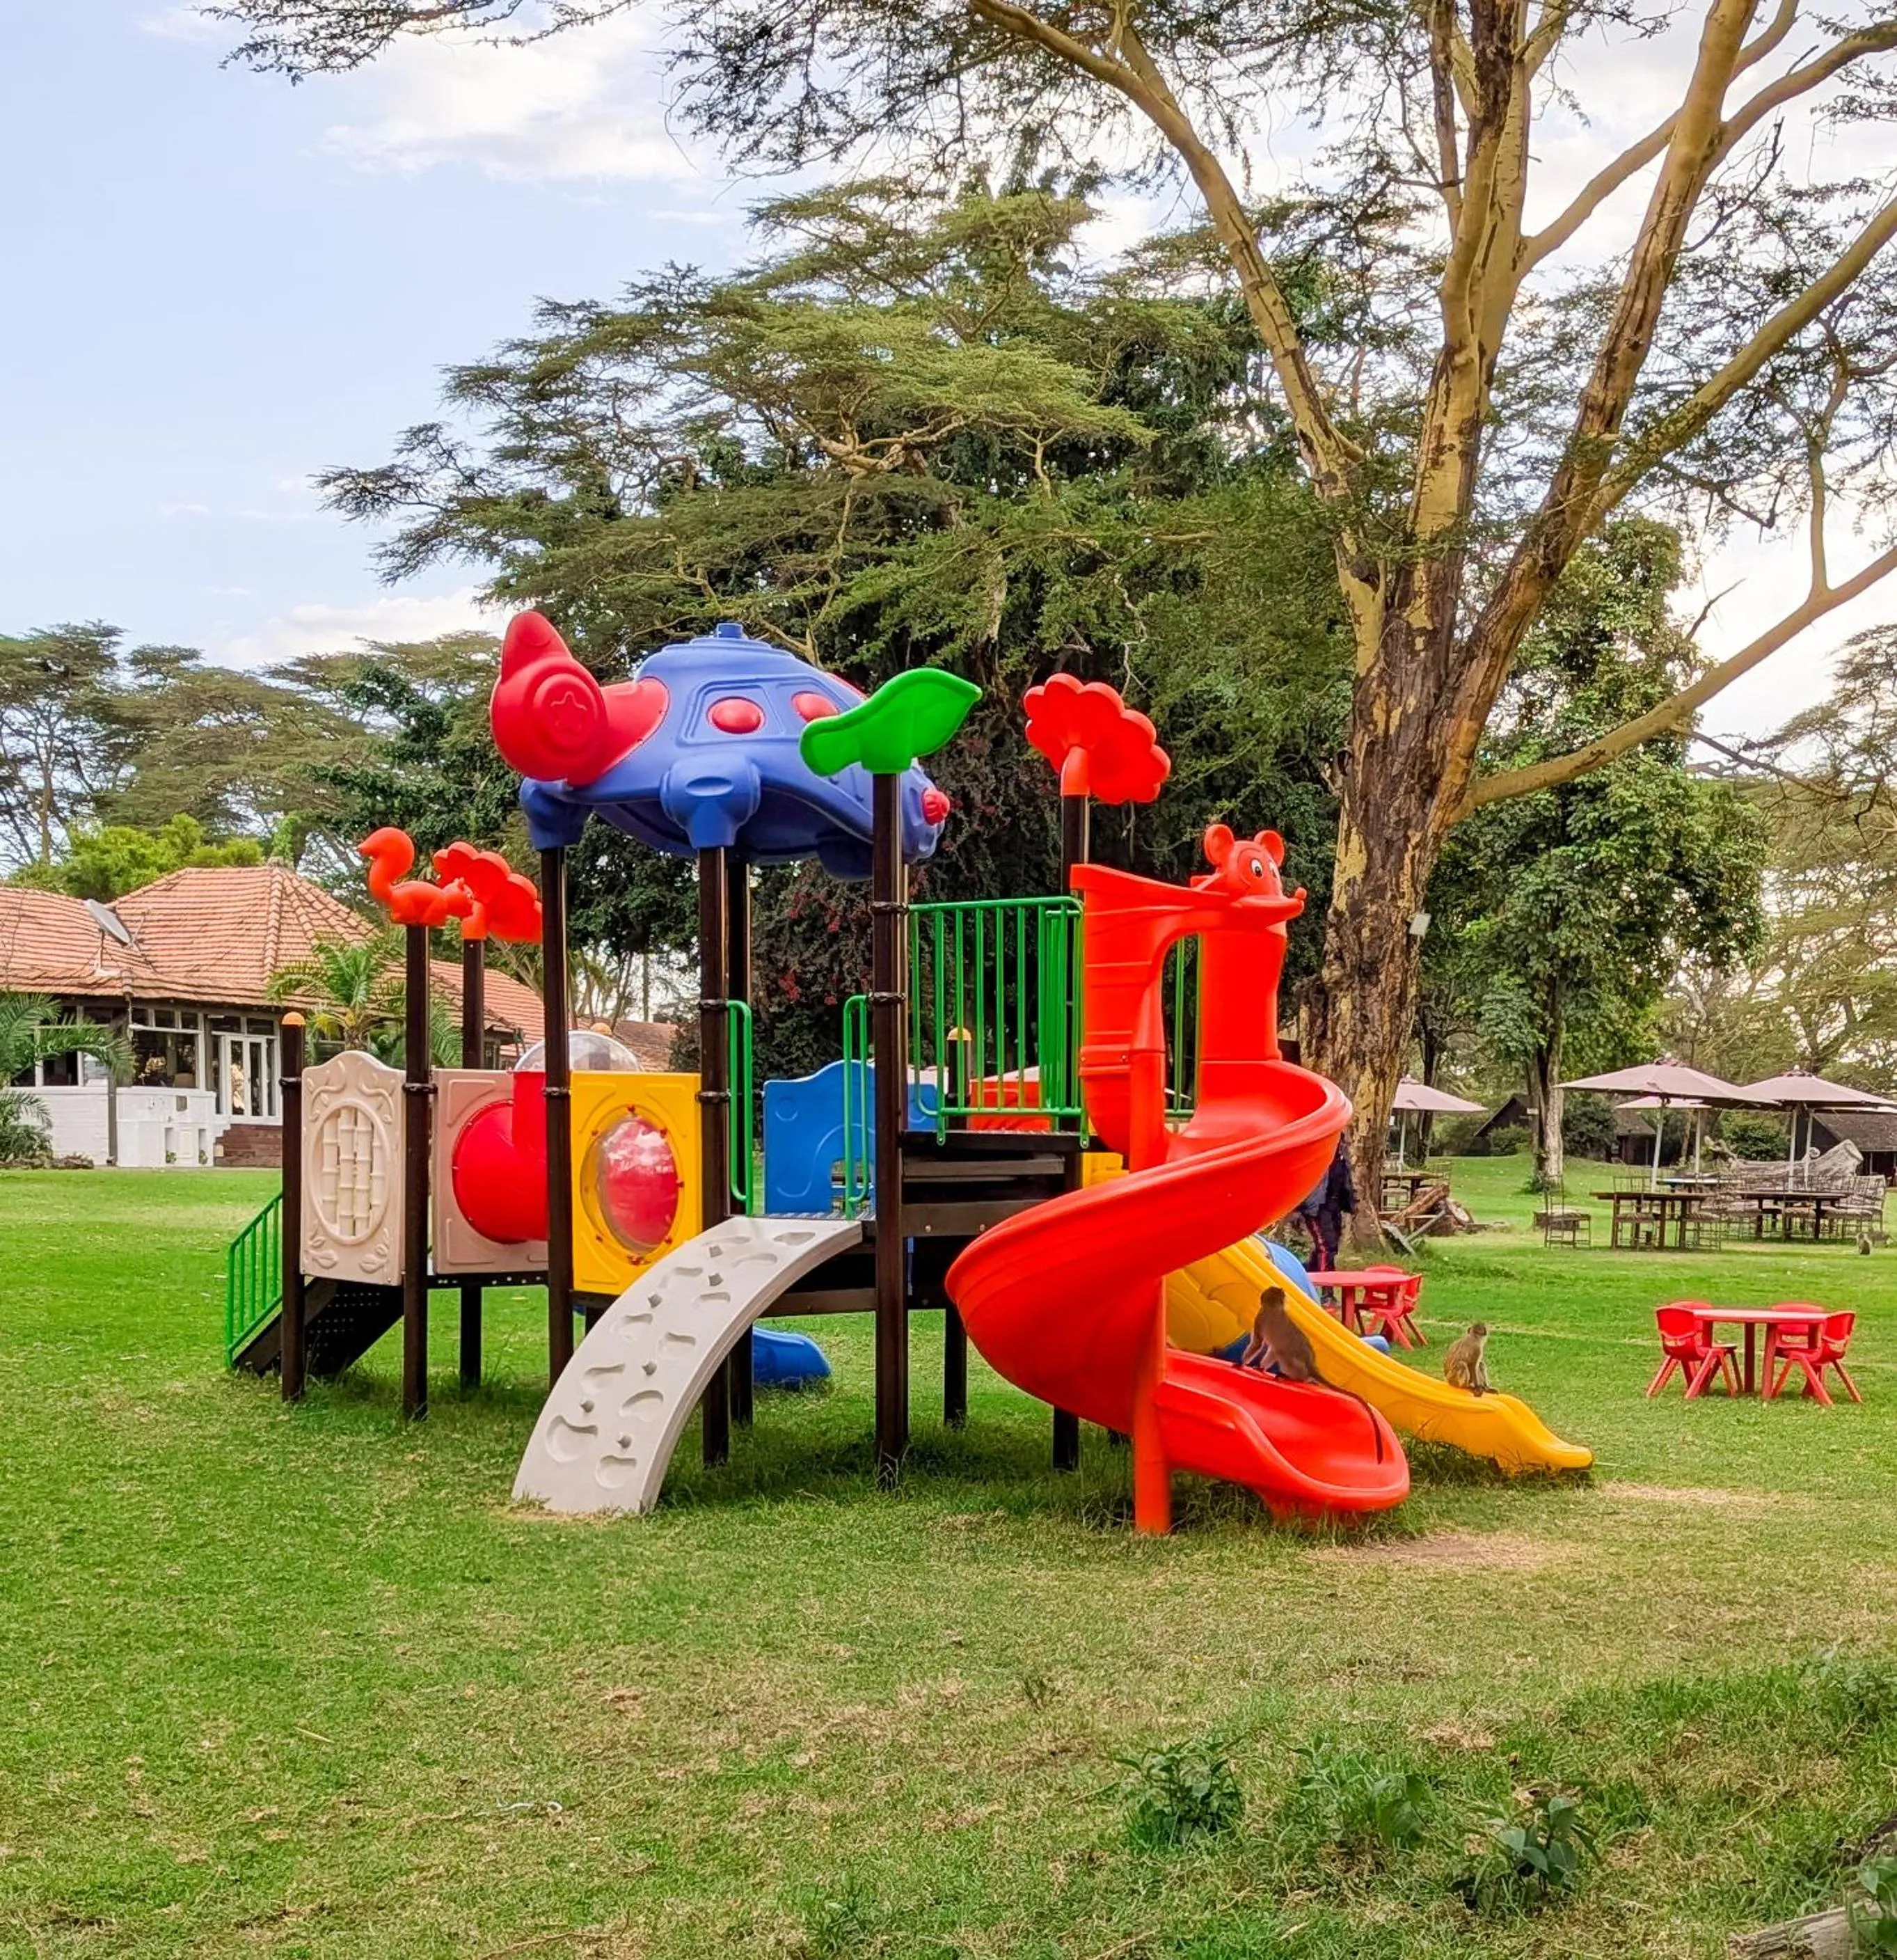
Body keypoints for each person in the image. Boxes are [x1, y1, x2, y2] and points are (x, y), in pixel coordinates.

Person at [1296, 1137, 1358, 1271]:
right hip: (1317, 1207)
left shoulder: (1341, 1150)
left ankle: (1307, 1275)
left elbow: (1343, 1178)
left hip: (1333, 1204)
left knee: (1332, 1245)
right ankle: (1326, 1290)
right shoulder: (1316, 1151)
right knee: (1326, 1247)